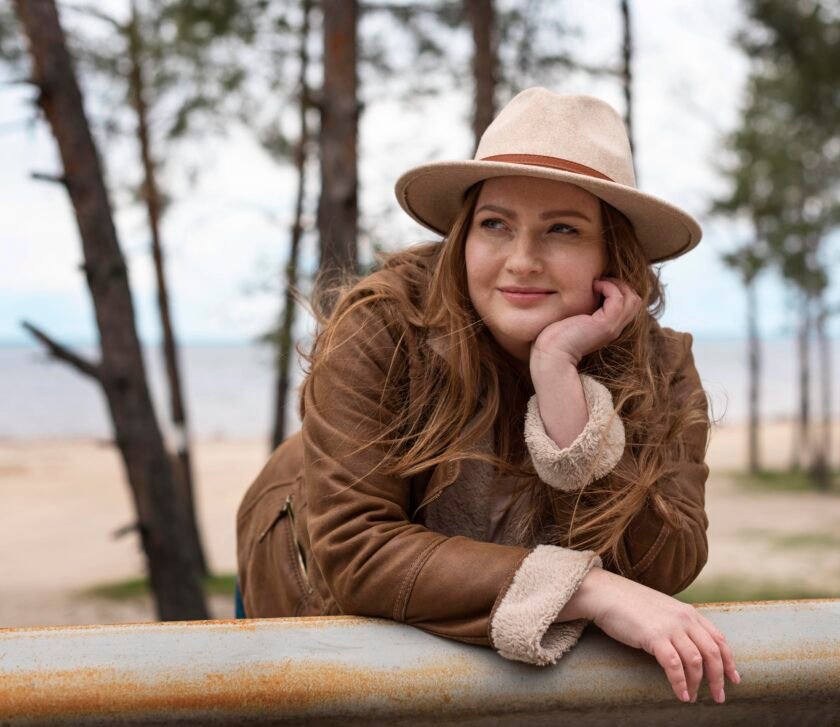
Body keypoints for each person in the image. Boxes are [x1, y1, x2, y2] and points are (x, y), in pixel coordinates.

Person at [235, 86, 740, 705]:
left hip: (482, 634)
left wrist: (565, 392)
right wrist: (586, 590)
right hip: (304, 587)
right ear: (463, 236)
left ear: (612, 253)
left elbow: (665, 564)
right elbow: (356, 552)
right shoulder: (383, 328)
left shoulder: (661, 367)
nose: (521, 260)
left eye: (562, 229)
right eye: (495, 224)